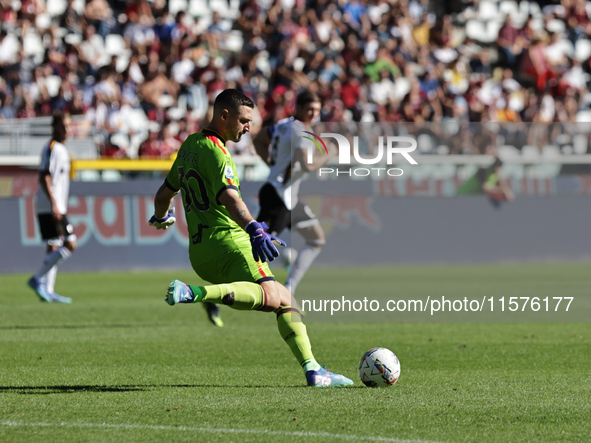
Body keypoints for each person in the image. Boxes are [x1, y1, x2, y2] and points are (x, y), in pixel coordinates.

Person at [149, 89, 352, 387]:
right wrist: (254, 228)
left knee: (285, 298)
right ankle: (197, 294)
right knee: (277, 299)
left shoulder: (190, 144)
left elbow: (164, 193)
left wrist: (161, 216)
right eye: (243, 121)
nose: (248, 127)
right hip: (232, 245)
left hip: (200, 255)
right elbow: (232, 200)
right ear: (223, 115)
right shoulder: (218, 154)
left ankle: (314, 370)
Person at [253, 89, 334, 296]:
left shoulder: (284, 124)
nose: (314, 114)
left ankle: (289, 289)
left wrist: (271, 164)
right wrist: (328, 154)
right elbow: (307, 165)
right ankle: (216, 296)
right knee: (256, 253)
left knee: (316, 238)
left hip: (287, 197)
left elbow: (259, 139)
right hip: (278, 198)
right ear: (298, 108)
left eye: (317, 110)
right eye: (310, 109)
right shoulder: (301, 130)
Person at [27, 112, 76, 303]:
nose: (67, 129)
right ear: (55, 126)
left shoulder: (61, 149)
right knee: (70, 243)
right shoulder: (52, 147)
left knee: (53, 245)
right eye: (64, 125)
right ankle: (37, 279)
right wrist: (55, 203)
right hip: (50, 205)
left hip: (54, 204)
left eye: (69, 125)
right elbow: (44, 176)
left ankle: (48, 290)